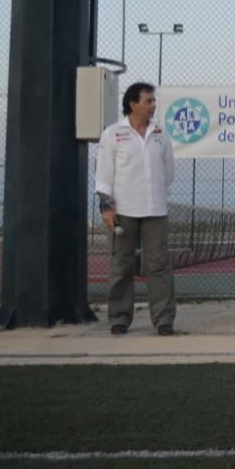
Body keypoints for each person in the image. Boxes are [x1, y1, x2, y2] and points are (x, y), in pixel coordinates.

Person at [94, 82, 176, 336]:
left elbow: (168, 172)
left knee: (159, 265)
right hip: (123, 212)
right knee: (122, 264)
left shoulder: (161, 133)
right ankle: (119, 317)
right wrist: (107, 207)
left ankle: (163, 320)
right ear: (133, 104)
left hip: (155, 211)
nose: (153, 105)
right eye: (148, 101)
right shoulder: (112, 134)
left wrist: (156, 195)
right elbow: (104, 175)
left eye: (153, 101)